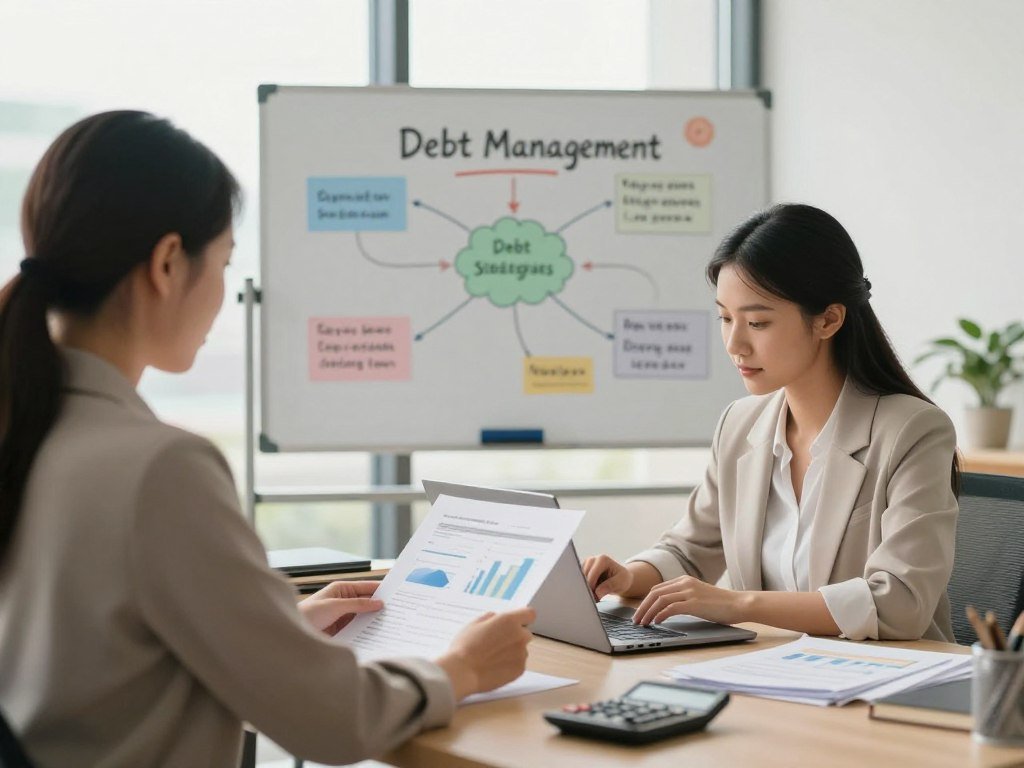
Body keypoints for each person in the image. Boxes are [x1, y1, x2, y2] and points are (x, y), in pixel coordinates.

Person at [0, 111, 534, 767]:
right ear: (169, 263)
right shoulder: (158, 468)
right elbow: (335, 724)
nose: (227, 292)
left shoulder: (29, 428)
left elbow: (96, 648)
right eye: (224, 262)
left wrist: (281, 623)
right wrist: (462, 669)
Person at [583, 203, 959, 643]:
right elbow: (690, 550)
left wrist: (737, 604)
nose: (734, 344)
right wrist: (628, 577)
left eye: (757, 322)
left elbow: (899, 602)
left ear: (828, 319)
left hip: (885, 683)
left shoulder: (913, 431)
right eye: (725, 318)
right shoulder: (740, 424)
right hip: (772, 676)